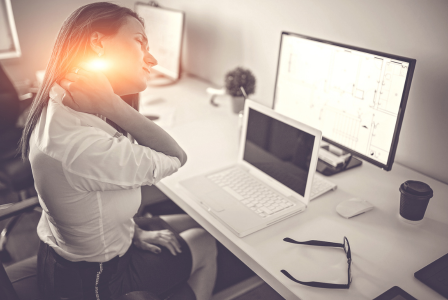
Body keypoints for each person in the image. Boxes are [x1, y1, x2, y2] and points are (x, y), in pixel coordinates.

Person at [19, 2, 217, 299]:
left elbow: (90, 200)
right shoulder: (80, 146)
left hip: (71, 248)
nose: (150, 59)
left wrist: (136, 232)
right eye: (139, 42)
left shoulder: (61, 101)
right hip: (96, 278)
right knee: (205, 240)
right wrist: (112, 104)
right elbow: (177, 157)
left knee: (198, 221)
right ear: (98, 43)